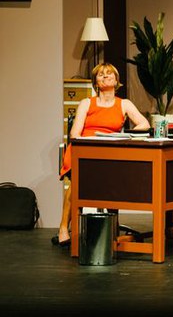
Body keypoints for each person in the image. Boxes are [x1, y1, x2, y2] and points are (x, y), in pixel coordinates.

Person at [53, 62, 150, 246]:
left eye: (109, 73)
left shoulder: (124, 104)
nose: (105, 76)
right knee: (77, 182)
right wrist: (91, 143)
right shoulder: (86, 103)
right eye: (101, 74)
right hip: (85, 149)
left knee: (115, 178)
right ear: (95, 82)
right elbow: (75, 134)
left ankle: (110, 227)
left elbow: (144, 124)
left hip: (110, 150)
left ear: (116, 79)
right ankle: (64, 227)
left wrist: (124, 136)